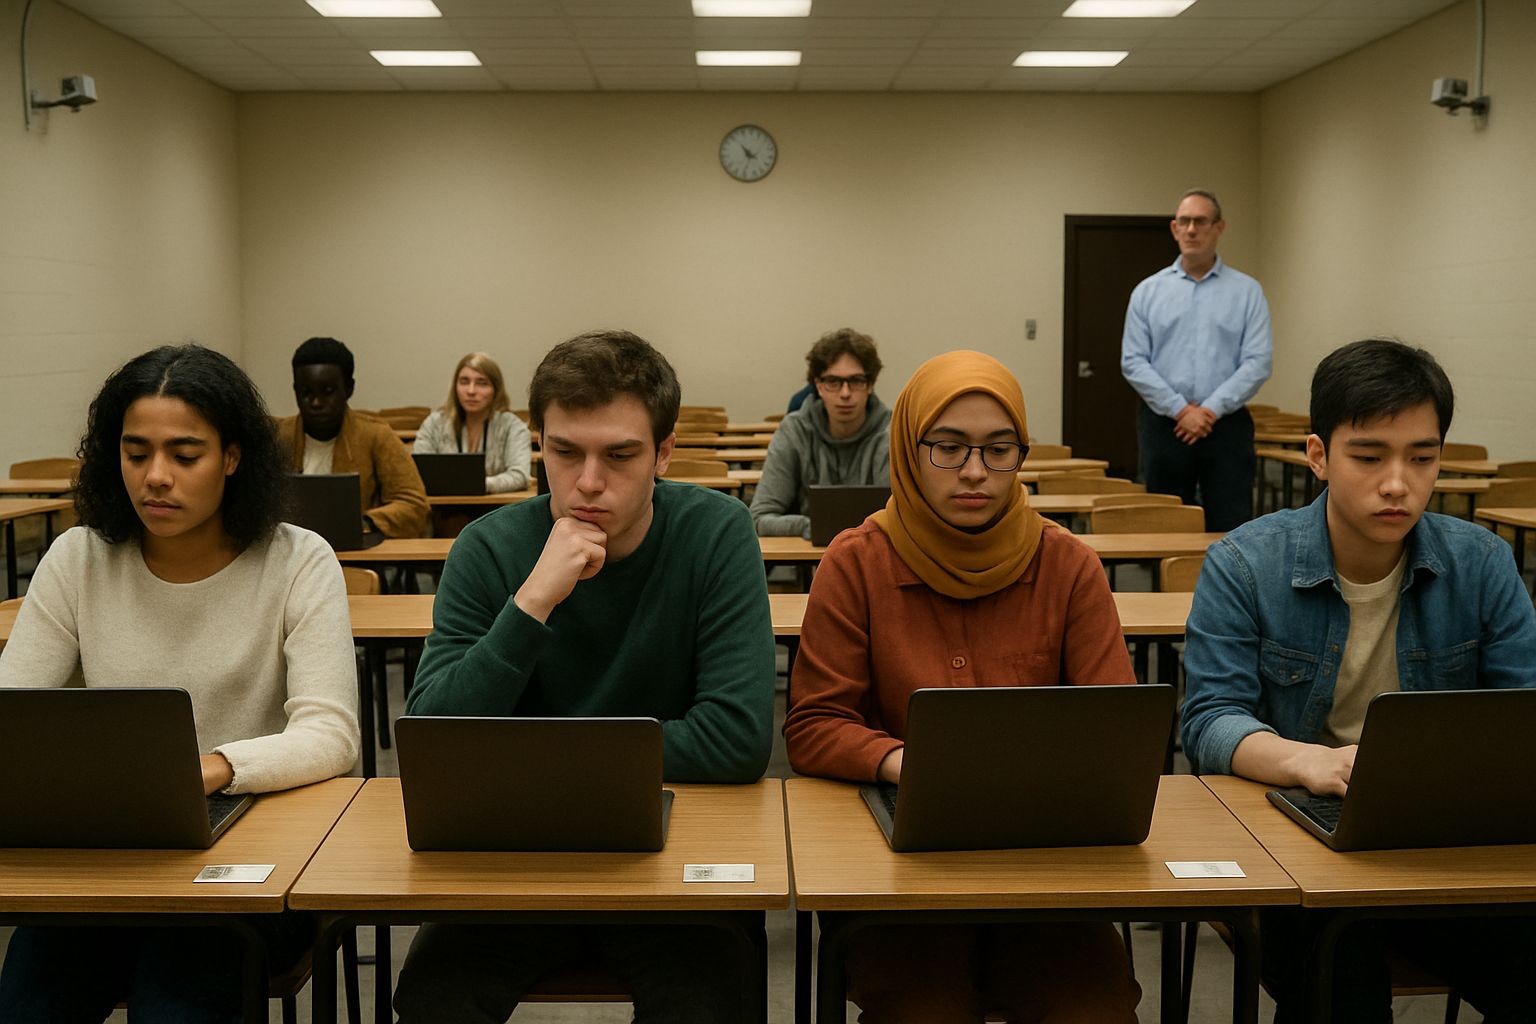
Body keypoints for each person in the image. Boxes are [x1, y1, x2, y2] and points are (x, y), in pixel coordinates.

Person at [391, 329, 776, 1023]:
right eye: (565, 453)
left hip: (673, 854)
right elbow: (432, 737)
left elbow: (737, 739)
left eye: (620, 455)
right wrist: (533, 600)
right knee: (431, 1004)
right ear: (539, 443)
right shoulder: (489, 548)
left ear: (663, 453)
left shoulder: (718, 534)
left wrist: (531, 755)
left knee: (712, 1002)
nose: (588, 482)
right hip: (515, 858)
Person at [0, 344, 360, 1023]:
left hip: (247, 871)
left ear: (231, 457)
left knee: (178, 1000)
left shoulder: (297, 560)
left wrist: (217, 768)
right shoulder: (78, 557)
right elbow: (11, 715)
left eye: (184, 455)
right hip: (108, 862)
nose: (156, 477)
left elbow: (331, 733)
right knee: (27, 1001)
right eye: (136, 454)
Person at [1181, 338, 1536, 1022]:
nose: (1398, 482)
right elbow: (1209, 721)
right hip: (1297, 851)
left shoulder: (1483, 564)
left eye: (1422, 458)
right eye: (1369, 457)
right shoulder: (1244, 564)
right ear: (1317, 456)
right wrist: (1309, 761)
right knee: (1338, 991)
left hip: (1444, 848)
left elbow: (1523, 714)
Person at [784, 350, 1142, 1023]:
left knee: (1091, 1010)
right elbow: (812, 725)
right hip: (901, 863)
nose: (976, 472)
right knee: (922, 1011)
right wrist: (902, 762)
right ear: (910, 449)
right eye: (948, 449)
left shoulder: (1068, 565)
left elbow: (1117, 728)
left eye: (999, 450)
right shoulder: (855, 561)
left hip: (1043, 861)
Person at [1120, 188, 1272, 532]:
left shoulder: (1247, 292)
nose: (1191, 230)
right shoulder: (1148, 292)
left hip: (1226, 424)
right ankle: (1166, 584)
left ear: (1219, 228)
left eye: (1201, 221)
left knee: (1231, 523)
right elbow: (1133, 361)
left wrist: (1209, 410)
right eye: (1185, 222)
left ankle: (1229, 587)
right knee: (1164, 522)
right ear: (1174, 229)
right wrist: (1181, 410)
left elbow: (1258, 360)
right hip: (1164, 424)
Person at [276, 335, 429, 538]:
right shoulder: (277, 437)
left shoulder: (376, 435)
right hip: (290, 552)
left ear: (349, 389)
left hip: (357, 553)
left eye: (327, 392)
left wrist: (364, 523)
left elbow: (414, 505)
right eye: (306, 392)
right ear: (295, 390)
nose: (315, 402)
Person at [751, 327, 892, 539]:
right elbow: (759, 518)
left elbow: (900, 519)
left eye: (856, 381)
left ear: (870, 385)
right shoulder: (794, 430)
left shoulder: (892, 432)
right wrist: (811, 526)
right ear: (818, 386)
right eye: (833, 382)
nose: (845, 393)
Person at [412, 351, 532, 493]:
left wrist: (475, 484)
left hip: (495, 507)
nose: (471, 391)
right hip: (442, 509)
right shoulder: (434, 423)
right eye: (464, 382)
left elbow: (520, 476)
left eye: (482, 383)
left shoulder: (512, 426)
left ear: (496, 389)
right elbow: (416, 473)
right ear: (455, 387)